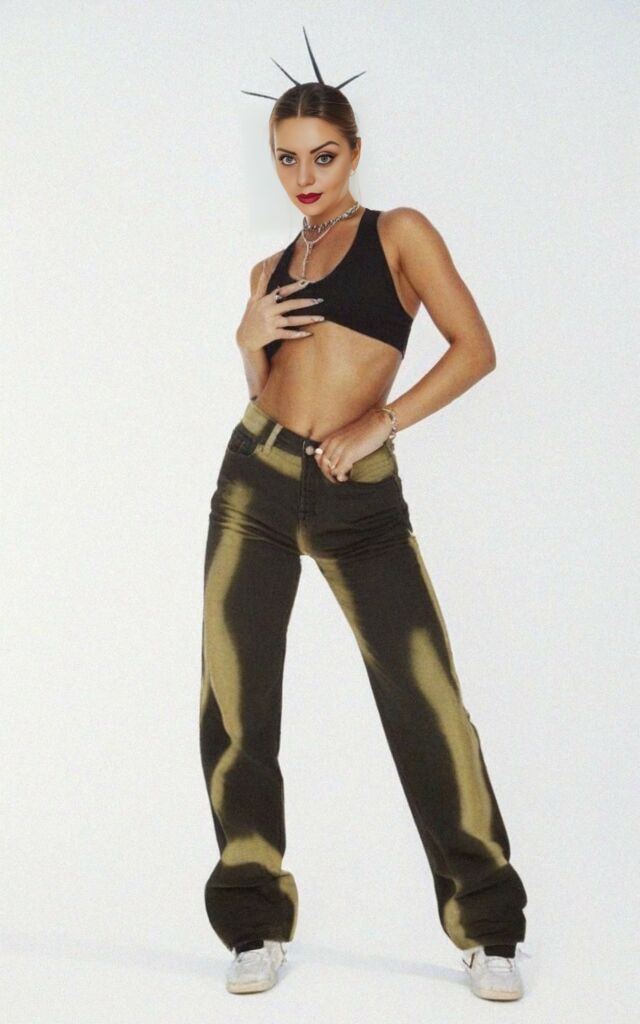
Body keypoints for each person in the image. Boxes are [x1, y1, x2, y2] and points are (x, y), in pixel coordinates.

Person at [200, 28, 528, 1000]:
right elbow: (266, 389)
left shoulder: (398, 234)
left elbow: (475, 348)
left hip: (361, 497)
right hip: (254, 483)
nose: (304, 177)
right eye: (286, 159)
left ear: (353, 151)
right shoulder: (267, 271)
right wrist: (247, 338)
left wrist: (380, 421)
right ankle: (252, 924)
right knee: (236, 702)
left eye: (322, 156)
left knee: (427, 701)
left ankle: (489, 928)